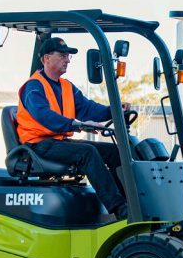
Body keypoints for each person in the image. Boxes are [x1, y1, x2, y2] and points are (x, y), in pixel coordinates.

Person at [16, 37, 129, 219]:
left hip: (59, 142)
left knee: (114, 151)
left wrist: (114, 110)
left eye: (68, 56)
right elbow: (44, 116)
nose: (67, 60)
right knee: (88, 152)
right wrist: (77, 126)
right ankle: (119, 209)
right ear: (46, 58)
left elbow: (88, 109)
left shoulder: (67, 87)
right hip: (39, 144)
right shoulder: (34, 87)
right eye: (62, 55)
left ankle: (131, 201)